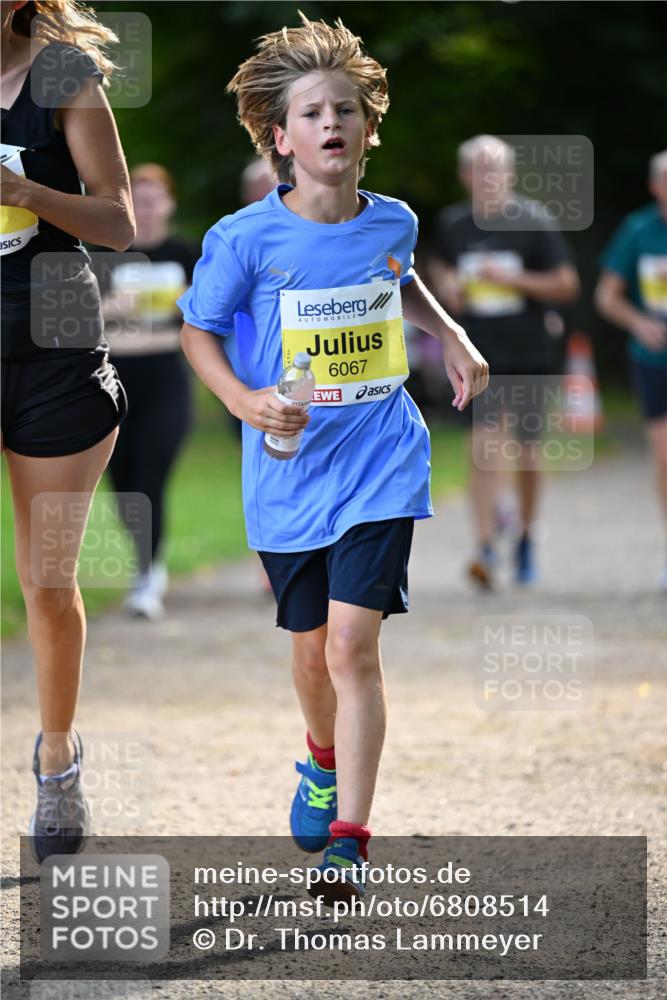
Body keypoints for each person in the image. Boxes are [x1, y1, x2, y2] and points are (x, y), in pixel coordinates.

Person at [178, 15, 487, 903]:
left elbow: (399, 273)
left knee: (353, 647)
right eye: (312, 112)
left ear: (365, 127)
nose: (331, 124)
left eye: (344, 109)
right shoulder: (245, 239)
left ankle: (349, 839)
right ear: (281, 138)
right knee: (312, 654)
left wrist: (452, 331)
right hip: (286, 468)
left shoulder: (391, 218)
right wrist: (242, 401)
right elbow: (198, 331)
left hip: (381, 456)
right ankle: (319, 761)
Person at [1, 0, 134, 862]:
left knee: (46, 582)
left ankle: (56, 760)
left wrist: (27, 192)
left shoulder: (61, 77)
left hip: (52, 353)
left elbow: (120, 221)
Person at [429, 135, 579, 588]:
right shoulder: (455, 224)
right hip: (479, 354)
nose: (489, 178)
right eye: (480, 170)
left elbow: (566, 285)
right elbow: (435, 268)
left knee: (528, 453)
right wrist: (448, 283)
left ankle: (527, 536)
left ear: (511, 175)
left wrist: (513, 279)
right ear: (465, 176)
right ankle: (485, 546)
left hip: (530, 352)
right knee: (483, 449)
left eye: (496, 170)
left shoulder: (533, 222)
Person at [100, 163, 198, 619]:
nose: (147, 207)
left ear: (170, 204)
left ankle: (148, 575)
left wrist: (138, 320)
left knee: (151, 473)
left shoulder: (186, 256)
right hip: (110, 383)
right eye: (137, 199)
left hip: (166, 382)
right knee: (121, 481)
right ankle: (145, 562)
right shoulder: (103, 254)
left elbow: (202, 324)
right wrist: (110, 309)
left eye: (155, 198)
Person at [595, 150, 667, 589]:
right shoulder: (638, 231)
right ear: (656, 186)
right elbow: (607, 296)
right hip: (655, 360)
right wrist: (640, 323)